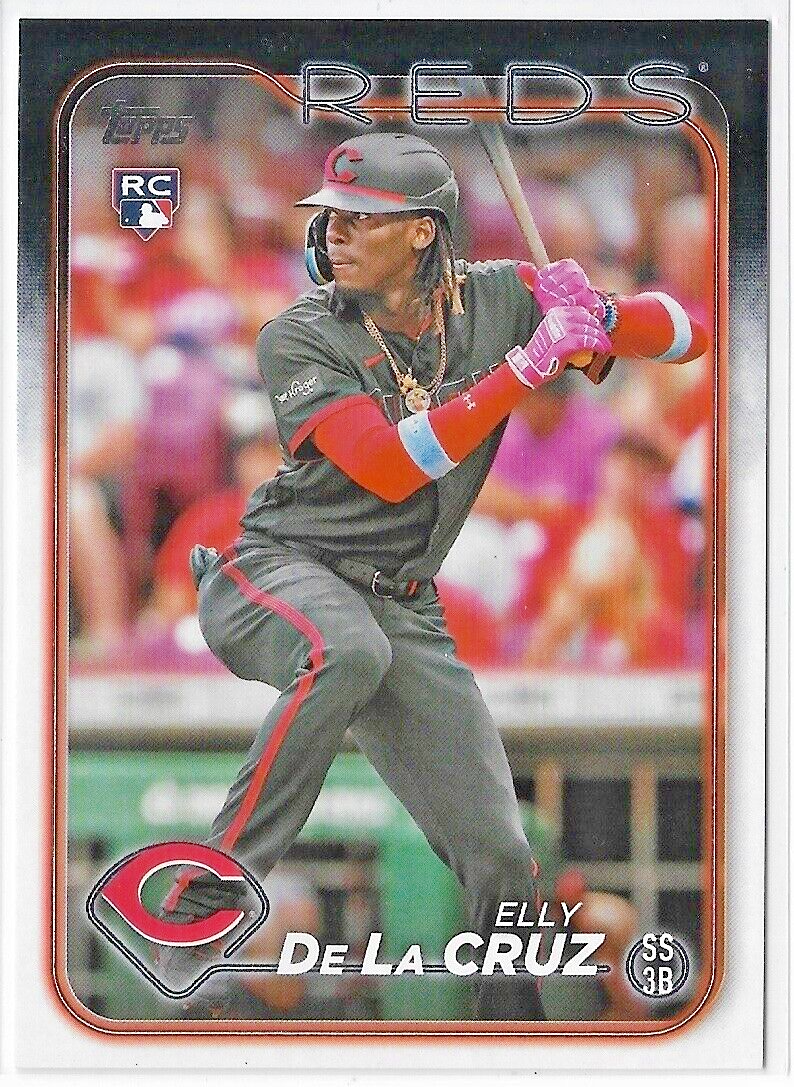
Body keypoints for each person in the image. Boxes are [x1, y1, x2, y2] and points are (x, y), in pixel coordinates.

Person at [158, 131, 707, 1021]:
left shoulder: (499, 298)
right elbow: (391, 465)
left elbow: (691, 336)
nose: (334, 232)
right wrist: (525, 367)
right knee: (346, 650)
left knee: (502, 853)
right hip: (279, 571)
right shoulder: (299, 333)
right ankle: (204, 903)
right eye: (331, 217)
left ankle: (511, 1030)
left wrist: (603, 312)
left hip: (404, 602)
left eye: (361, 219)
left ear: (422, 231)